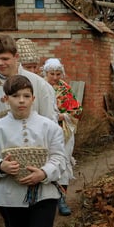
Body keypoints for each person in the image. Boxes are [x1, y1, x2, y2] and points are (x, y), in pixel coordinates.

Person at [0, 75, 66, 227]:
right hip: (9, 196)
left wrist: (44, 173)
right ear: (6, 99)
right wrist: (1, 166)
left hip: (45, 194)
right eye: (15, 96)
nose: (21, 100)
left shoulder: (50, 127)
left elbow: (59, 158)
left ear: (33, 98)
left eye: (26, 96)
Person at [0, 34, 58, 136]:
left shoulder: (39, 83)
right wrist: (3, 131)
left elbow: (50, 119)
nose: (0, 63)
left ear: (16, 56)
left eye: (5, 59)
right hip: (0, 144)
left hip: (35, 144)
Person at [43, 58, 83, 216]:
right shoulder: (39, 87)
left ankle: (61, 199)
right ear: (46, 73)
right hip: (43, 132)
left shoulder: (65, 89)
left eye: (58, 73)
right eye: (51, 73)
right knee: (44, 164)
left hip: (63, 133)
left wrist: (63, 116)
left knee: (63, 163)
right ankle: (44, 200)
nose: (54, 77)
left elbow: (77, 110)